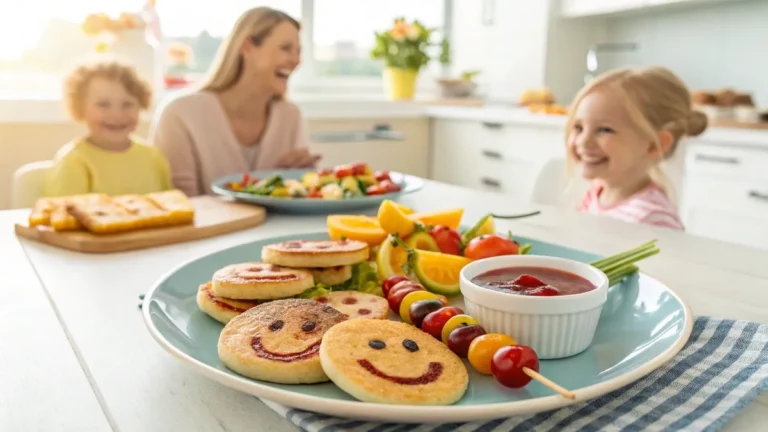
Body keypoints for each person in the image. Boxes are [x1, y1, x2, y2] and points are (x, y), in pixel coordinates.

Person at [149, 7, 320, 196]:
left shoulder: (290, 116)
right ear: (247, 47)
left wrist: (297, 182)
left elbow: (302, 195)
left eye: (299, 51)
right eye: (286, 48)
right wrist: (261, 189)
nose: (296, 61)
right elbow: (181, 202)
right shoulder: (179, 114)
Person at [566, 66, 708, 231]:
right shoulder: (594, 195)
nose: (583, 141)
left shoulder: (653, 219)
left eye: (604, 130)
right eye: (578, 127)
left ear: (655, 144)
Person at [45, 61, 172, 197]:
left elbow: (170, 204)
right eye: (103, 104)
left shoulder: (153, 158)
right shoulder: (73, 161)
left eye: (127, 104)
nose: (117, 114)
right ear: (80, 108)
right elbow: (65, 209)